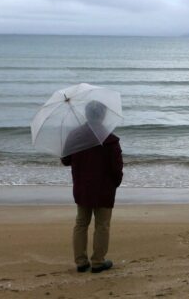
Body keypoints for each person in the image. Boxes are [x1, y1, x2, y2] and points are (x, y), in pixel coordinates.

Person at [61, 101, 123, 273]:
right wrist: (115, 183)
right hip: (104, 189)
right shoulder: (109, 139)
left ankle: (81, 262)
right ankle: (97, 262)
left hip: (82, 187)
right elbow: (116, 168)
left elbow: (65, 160)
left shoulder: (75, 135)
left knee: (81, 223)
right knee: (102, 225)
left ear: (87, 115)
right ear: (102, 116)